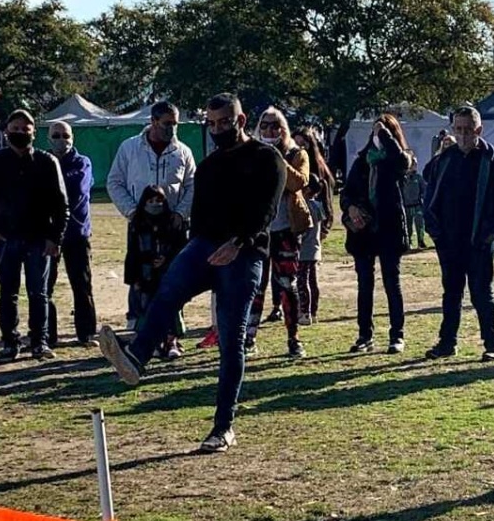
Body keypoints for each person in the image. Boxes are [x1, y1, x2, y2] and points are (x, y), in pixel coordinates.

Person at [98, 93, 286, 453]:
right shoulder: (211, 165)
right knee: (168, 289)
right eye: (211, 124)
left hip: (245, 252)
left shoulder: (266, 158)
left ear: (241, 120)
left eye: (224, 123)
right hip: (204, 245)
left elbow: (266, 211)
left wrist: (238, 244)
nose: (217, 130)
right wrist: (185, 250)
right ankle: (137, 356)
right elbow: (199, 218)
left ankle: (223, 426)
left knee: (231, 340)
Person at [423, 106, 494, 361]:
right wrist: (436, 234)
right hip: (449, 242)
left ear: (479, 130)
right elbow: (429, 198)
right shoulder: (444, 160)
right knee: (451, 294)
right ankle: (447, 343)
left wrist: (489, 235)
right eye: (458, 129)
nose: (463, 135)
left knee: (482, 294)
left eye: (468, 130)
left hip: (479, 243)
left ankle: (492, 343)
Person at [0, 109, 69, 360]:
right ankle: (10, 343)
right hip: (6, 239)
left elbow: (61, 204)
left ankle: (39, 342)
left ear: (33, 133)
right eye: (15, 129)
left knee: (39, 293)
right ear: (6, 132)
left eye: (25, 130)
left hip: (40, 239)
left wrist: (55, 238)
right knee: (8, 293)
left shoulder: (47, 162)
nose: (20, 133)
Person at [106, 101, 197, 330]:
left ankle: (172, 331)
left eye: (175, 124)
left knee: (174, 274)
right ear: (153, 121)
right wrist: (132, 211)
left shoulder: (183, 152)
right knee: (140, 273)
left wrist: (180, 213)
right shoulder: (129, 148)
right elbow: (114, 182)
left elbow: (193, 186)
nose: (172, 129)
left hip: (172, 227)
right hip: (141, 225)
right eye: (167, 123)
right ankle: (136, 325)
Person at [244, 107, 312, 359]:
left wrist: (277, 158)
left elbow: (299, 183)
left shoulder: (297, 153)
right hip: (258, 231)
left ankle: (293, 338)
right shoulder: (252, 153)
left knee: (287, 284)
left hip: (286, 229)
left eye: (275, 126)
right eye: (265, 125)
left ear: (284, 128)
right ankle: (249, 337)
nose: (270, 130)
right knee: (255, 285)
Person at [341, 113, 412, 354]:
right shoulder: (362, 160)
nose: (377, 136)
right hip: (364, 231)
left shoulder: (396, 161)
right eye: (374, 131)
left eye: (382, 132)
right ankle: (365, 335)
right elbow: (346, 193)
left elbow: (401, 160)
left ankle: (397, 335)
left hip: (389, 229)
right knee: (365, 284)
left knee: (392, 283)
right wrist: (351, 207)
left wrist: (387, 135)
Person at [45, 121, 98, 347]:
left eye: (65, 135)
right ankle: (47, 335)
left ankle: (86, 333)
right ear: (48, 139)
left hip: (76, 233)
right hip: (49, 234)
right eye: (56, 136)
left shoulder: (82, 163)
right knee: (45, 286)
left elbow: (76, 193)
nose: (61, 140)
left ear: (72, 138)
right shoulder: (42, 161)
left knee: (82, 284)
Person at [124, 186, 186, 359]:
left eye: (159, 201)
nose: (155, 205)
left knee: (171, 307)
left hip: (169, 274)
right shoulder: (137, 224)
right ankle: (154, 344)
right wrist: (133, 278)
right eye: (150, 201)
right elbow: (132, 252)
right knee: (147, 309)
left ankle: (171, 341)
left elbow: (182, 247)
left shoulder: (173, 222)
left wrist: (167, 259)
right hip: (145, 276)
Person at [297, 183, 327, 325]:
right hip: (315, 248)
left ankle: (305, 312)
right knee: (313, 281)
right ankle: (314, 311)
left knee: (302, 282)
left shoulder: (304, 206)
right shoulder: (318, 205)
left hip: (304, 250)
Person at [401, 156, 427, 249]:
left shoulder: (418, 178)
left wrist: (424, 199)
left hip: (417, 205)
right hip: (406, 206)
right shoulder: (402, 178)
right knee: (407, 226)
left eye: (415, 164)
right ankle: (409, 242)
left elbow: (424, 190)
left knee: (420, 224)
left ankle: (421, 241)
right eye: (412, 164)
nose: (414, 166)